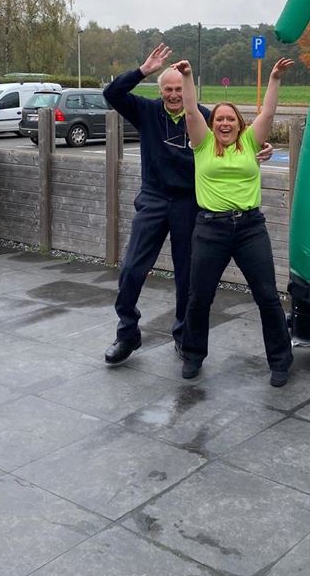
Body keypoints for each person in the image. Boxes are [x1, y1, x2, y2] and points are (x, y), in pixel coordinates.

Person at [102, 44, 272, 366]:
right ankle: (127, 332)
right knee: (132, 269)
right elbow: (112, 94)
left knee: (187, 277)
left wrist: (262, 149)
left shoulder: (203, 117)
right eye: (168, 89)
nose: (174, 94)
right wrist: (143, 70)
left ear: (187, 90)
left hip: (189, 204)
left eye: (179, 89)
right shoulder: (146, 112)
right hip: (154, 199)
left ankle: (183, 335)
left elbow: (238, 138)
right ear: (161, 91)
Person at [174, 56, 295, 387]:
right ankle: (193, 355)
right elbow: (190, 111)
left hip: (249, 229)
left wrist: (274, 78)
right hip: (210, 229)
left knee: (267, 296)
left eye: (230, 119)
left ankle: (280, 361)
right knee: (199, 297)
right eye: (219, 119)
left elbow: (267, 113)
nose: (225, 123)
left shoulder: (250, 143)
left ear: (240, 124)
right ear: (212, 124)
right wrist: (187, 76)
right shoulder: (202, 144)